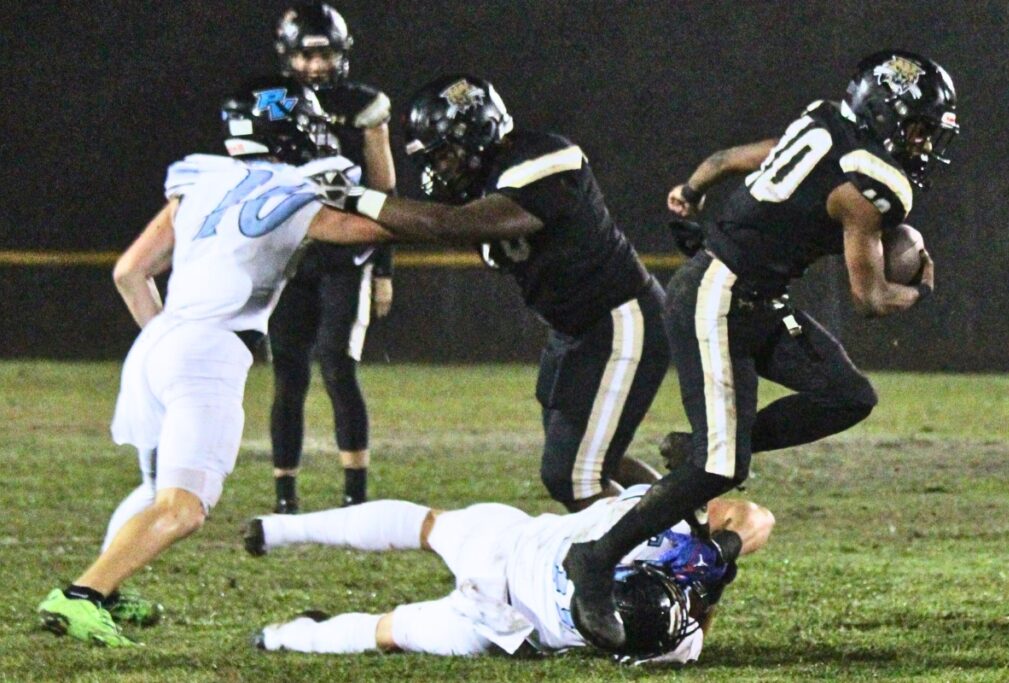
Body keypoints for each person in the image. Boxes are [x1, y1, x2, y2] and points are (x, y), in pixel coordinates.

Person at [562, 49, 959, 650]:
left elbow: (737, 157)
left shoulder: (827, 122)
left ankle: (704, 444)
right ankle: (593, 559)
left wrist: (697, 182)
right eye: (918, 127)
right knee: (720, 469)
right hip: (718, 298)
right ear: (882, 114)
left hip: (753, 296)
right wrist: (919, 287)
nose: (924, 143)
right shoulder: (869, 186)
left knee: (846, 394)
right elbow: (869, 297)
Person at [36, 77, 395, 647]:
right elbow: (382, 225)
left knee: (157, 487)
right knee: (184, 507)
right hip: (209, 351)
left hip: (159, 342)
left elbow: (129, 273)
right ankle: (81, 595)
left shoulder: (201, 180)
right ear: (291, 130)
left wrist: (170, 341)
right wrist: (382, 146)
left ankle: (105, 589)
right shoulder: (292, 191)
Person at [338, 74, 671, 511]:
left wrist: (352, 196)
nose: (437, 170)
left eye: (443, 156)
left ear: (477, 131)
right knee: (578, 456)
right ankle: (687, 519)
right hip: (575, 332)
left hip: (621, 319)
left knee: (574, 476)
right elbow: (413, 222)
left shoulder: (546, 157)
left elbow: (449, 224)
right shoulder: (477, 186)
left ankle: (661, 559)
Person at [243, 485, 774, 662]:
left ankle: (278, 529)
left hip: (505, 545)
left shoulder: (644, 525)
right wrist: (714, 574)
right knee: (388, 631)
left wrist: (719, 550)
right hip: (497, 625)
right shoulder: (669, 642)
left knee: (422, 526)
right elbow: (695, 628)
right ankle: (280, 636)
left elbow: (753, 516)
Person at [268, 1, 396, 513]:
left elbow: (385, 188)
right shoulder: (273, 102)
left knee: (337, 366)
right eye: (307, 55)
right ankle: (284, 495)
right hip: (290, 253)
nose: (317, 66)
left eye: (326, 54)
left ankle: (354, 495)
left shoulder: (364, 104)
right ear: (289, 55)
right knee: (288, 373)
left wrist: (384, 269)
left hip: (349, 255)